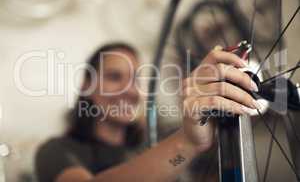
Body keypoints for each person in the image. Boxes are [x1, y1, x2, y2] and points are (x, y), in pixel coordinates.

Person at [35, 42, 259, 182]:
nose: (129, 90)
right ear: (87, 86)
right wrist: (189, 141)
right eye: (114, 77)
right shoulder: (55, 151)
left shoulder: (157, 141)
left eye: (135, 79)